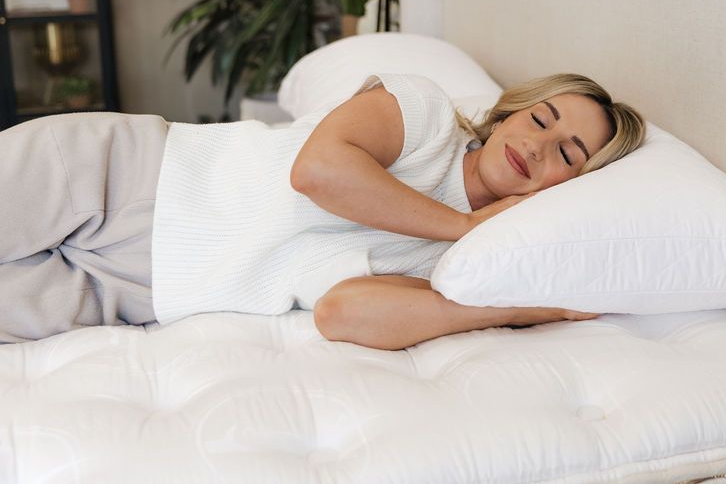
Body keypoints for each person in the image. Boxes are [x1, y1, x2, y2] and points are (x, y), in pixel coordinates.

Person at [0, 72, 645, 347]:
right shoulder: (421, 114)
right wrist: (463, 223)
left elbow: (344, 314)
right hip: (123, 175)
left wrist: (533, 307)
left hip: (134, 293)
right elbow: (317, 172)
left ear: (572, 188)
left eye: (569, 153)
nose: (538, 145)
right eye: (540, 119)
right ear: (509, 113)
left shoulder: (458, 263)